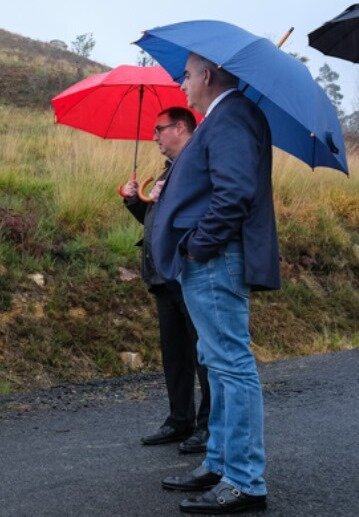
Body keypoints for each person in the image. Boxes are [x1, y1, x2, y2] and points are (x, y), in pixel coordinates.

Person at [152, 52, 278, 514]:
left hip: (215, 260)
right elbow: (214, 187)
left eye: (186, 75)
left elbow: (234, 194)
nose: (181, 83)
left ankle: (245, 481)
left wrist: (196, 247)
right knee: (218, 361)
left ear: (206, 75)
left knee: (231, 365)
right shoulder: (223, 118)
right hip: (209, 260)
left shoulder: (231, 117)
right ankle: (221, 462)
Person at [122, 107, 210, 456]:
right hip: (163, 276)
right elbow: (157, 219)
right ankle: (180, 420)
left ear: (180, 128)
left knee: (203, 353)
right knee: (175, 354)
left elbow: (198, 215)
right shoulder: (169, 169)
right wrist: (134, 200)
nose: (154, 136)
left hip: (187, 272)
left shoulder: (196, 163)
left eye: (159, 129)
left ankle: (208, 427)